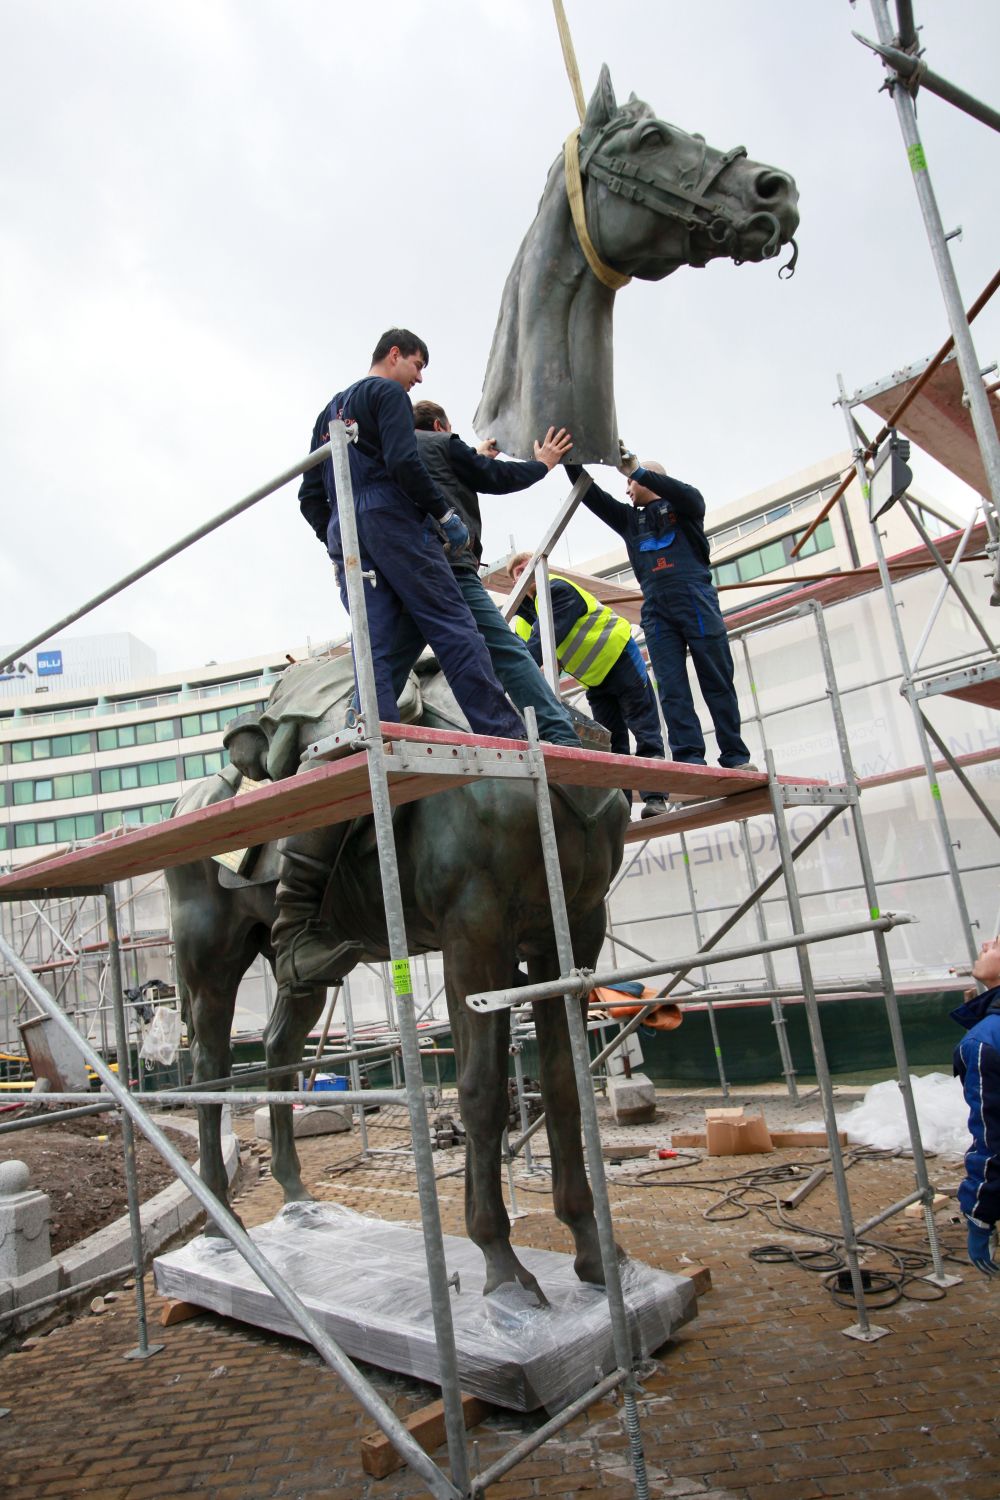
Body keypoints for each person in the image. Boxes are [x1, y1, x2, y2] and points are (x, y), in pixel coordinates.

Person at [297, 328, 524, 741]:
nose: (418, 379)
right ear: (395, 354)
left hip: (346, 529)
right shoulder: (387, 395)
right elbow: (404, 462)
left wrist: (338, 540)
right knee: (452, 624)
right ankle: (503, 732)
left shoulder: (326, 413)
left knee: (373, 642)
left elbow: (309, 495)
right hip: (392, 517)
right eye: (417, 366)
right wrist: (442, 513)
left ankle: (378, 733)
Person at [380, 400, 580, 748]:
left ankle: (360, 725)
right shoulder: (443, 443)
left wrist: (472, 456)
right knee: (504, 648)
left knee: (393, 658)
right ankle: (558, 731)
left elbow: (433, 478)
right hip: (450, 565)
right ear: (441, 426)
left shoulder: (391, 451)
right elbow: (497, 478)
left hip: (405, 568)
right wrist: (542, 464)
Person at [565, 452, 755, 772]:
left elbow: (689, 496)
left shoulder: (686, 508)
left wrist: (638, 471)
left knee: (717, 679)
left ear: (648, 478)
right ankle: (689, 757)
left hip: (695, 600)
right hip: (656, 611)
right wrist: (569, 460)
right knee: (671, 687)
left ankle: (735, 756)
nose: (626, 489)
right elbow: (590, 495)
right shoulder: (629, 520)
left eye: (630, 482)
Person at [508, 552, 668, 818]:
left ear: (540, 569)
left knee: (644, 729)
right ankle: (621, 813)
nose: (523, 573)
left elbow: (533, 650)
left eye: (527, 567)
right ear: (514, 583)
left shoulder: (557, 589)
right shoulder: (524, 620)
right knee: (612, 745)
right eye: (517, 572)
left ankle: (655, 799)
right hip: (595, 679)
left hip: (620, 658)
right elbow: (529, 657)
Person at [950, 935, 1000, 1275]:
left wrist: (979, 1210)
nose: (985, 944)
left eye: (997, 944)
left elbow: (992, 1138)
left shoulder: (985, 1042)